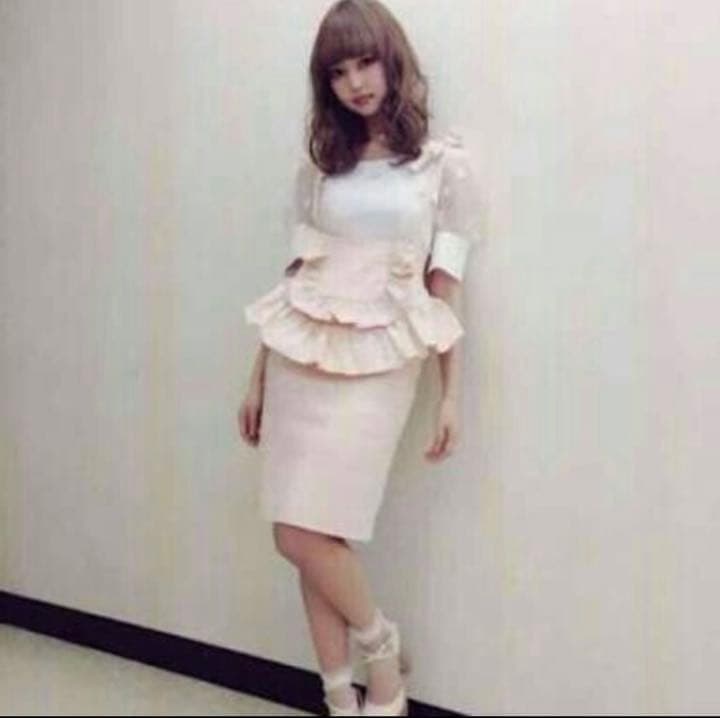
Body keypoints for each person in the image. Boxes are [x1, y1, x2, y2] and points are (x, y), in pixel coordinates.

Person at [238, 0, 482, 714]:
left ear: (392, 60)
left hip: (384, 354)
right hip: (300, 354)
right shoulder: (321, 168)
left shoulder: (442, 166)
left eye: (366, 63)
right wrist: (256, 378)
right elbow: (296, 275)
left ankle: (382, 654)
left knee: (306, 531)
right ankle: (343, 698)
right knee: (304, 530)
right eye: (338, 72)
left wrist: (451, 393)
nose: (356, 83)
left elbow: (445, 287)